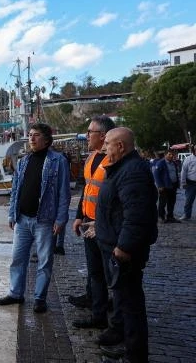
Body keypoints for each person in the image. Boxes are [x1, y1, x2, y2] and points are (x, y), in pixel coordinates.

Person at [95, 127, 158, 363]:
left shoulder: (132, 172)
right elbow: (116, 207)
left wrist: (124, 247)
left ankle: (135, 356)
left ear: (120, 146)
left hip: (123, 252)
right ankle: (128, 345)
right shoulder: (123, 168)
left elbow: (137, 215)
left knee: (131, 306)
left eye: (108, 144)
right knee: (123, 301)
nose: (104, 148)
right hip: (113, 244)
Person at [0, 123, 70, 313]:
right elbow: (16, 190)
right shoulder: (24, 161)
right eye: (30, 135)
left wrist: (61, 220)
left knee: (44, 261)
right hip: (22, 219)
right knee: (17, 259)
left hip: (45, 220)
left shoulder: (58, 161)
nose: (31, 138)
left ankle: (39, 297)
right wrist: (12, 213)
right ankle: (15, 293)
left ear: (46, 139)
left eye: (36, 135)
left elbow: (64, 193)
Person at [69, 116, 124, 347]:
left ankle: (118, 325)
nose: (86, 135)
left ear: (103, 136)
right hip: (89, 222)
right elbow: (87, 190)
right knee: (95, 273)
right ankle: (98, 314)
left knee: (113, 277)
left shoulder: (113, 161)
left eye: (90, 131)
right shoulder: (91, 158)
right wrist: (79, 216)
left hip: (106, 228)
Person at [153, 150, 181, 223]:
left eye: (172, 154)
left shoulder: (174, 163)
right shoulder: (161, 163)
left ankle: (170, 217)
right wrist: (160, 185)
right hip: (164, 186)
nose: (171, 156)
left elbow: (176, 173)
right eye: (169, 154)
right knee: (163, 202)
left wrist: (178, 183)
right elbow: (156, 175)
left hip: (173, 185)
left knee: (172, 202)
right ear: (165, 155)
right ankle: (161, 217)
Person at [180, 144, 196, 221]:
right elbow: (183, 171)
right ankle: (186, 215)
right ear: (193, 150)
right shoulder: (188, 159)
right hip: (191, 183)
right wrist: (183, 183)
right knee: (188, 200)